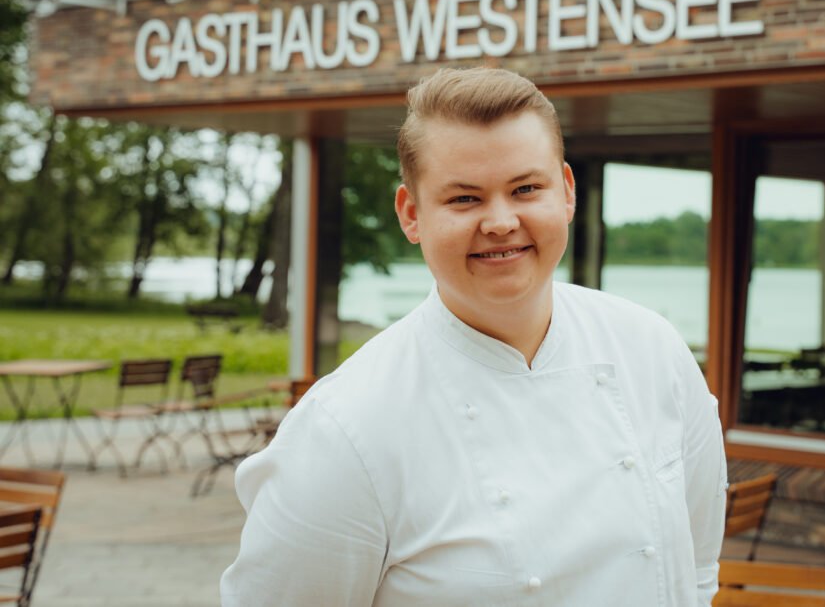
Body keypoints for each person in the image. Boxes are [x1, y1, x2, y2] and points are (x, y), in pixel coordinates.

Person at [221, 67, 727, 607]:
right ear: (412, 215)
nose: (501, 221)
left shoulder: (652, 351)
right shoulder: (347, 428)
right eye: (465, 199)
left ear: (567, 192)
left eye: (526, 188)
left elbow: (696, 571)